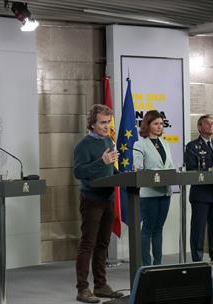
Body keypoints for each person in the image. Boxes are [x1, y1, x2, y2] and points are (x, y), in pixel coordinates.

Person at [73, 104, 123, 303]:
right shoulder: (83, 145)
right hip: (91, 200)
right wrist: (101, 162)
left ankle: (101, 285)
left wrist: (125, 177)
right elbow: (79, 172)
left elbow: (109, 171)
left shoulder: (109, 141)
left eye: (108, 122)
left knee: (103, 243)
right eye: (102, 122)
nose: (106, 126)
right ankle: (82, 289)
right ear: (92, 124)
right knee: (88, 244)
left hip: (108, 199)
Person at [133, 110, 174, 266]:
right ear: (147, 125)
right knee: (148, 230)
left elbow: (169, 166)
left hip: (165, 192)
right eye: (156, 124)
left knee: (159, 229)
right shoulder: (139, 144)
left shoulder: (165, 143)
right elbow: (138, 168)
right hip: (149, 193)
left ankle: (158, 264)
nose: (159, 127)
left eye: (161, 124)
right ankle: (146, 265)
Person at [185, 114, 213, 262]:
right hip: (201, 193)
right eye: (207, 123)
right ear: (199, 127)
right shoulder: (192, 146)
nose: (211, 126)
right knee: (199, 227)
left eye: (212, 123)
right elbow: (191, 168)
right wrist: (210, 169)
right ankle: (197, 257)